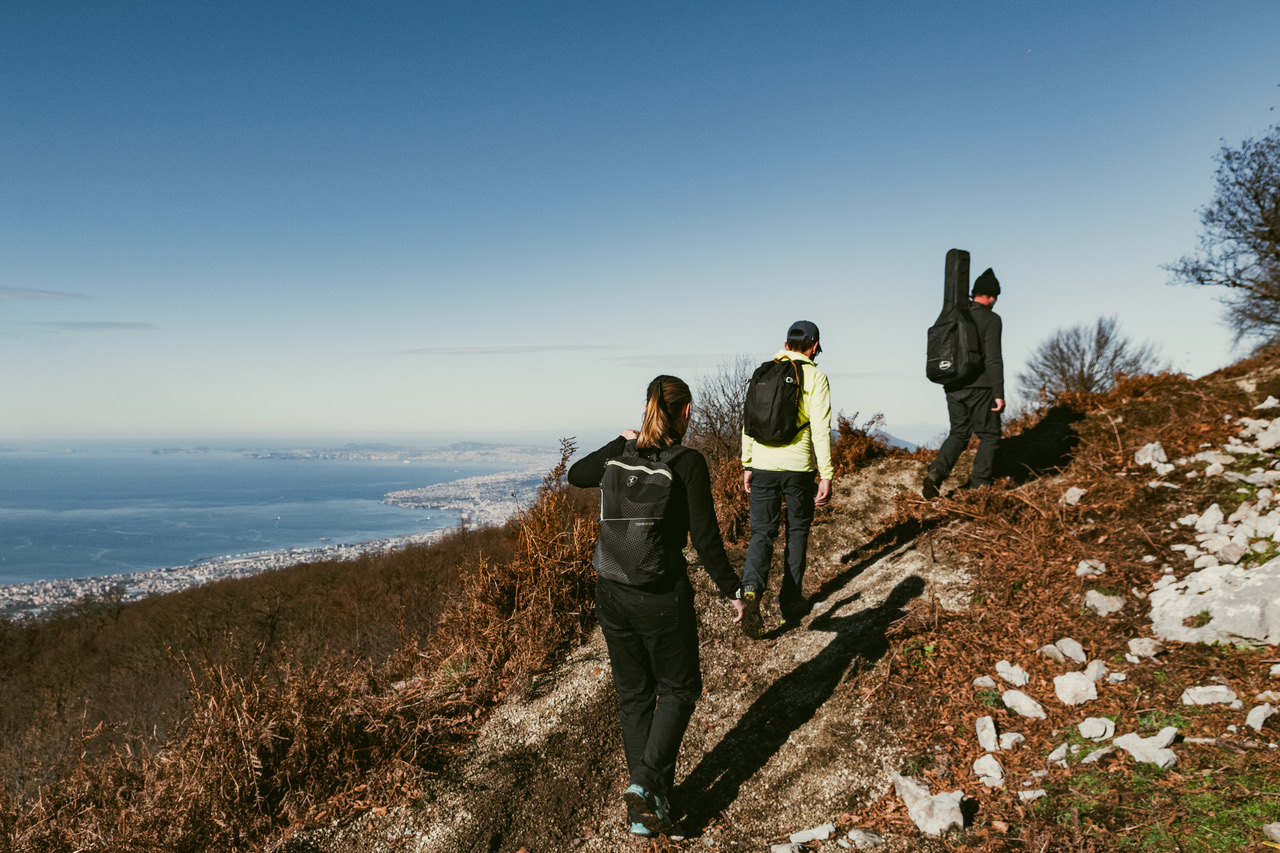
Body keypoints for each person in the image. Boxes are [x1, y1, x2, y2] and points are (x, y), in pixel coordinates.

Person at [568, 375, 746, 837]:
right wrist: (734, 590)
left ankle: (648, 804)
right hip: (660, 597)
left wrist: (618, 441)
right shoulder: (688, 463)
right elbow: (706, 540)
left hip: (611, 592)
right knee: (680, 689)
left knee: (634, 696)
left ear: (648, 408)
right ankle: (646, 787)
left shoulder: (620, 456)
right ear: (686, 412)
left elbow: (576, 474)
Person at [740, 320, 833, 634]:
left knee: (761, 534)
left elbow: (749, 421)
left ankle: (751, 589)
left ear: (785, 343)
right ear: (814, 346)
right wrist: (827, 474)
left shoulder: (763, 373)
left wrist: (748, 463)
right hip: (798, 470)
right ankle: (790, 602)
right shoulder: (815, 376)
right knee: (796, 533)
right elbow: (820, 429)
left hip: (763, 466)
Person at [923, 268, 1004, 498]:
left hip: (953, 384)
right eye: (995, 297)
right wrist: (998, 392)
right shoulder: (991, 319)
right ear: (990, 296)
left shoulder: (955, 314)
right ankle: (979, 485)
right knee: (989, 435)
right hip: (981, 386)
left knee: (959, 433)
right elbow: (993, 358)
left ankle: (936, 473)